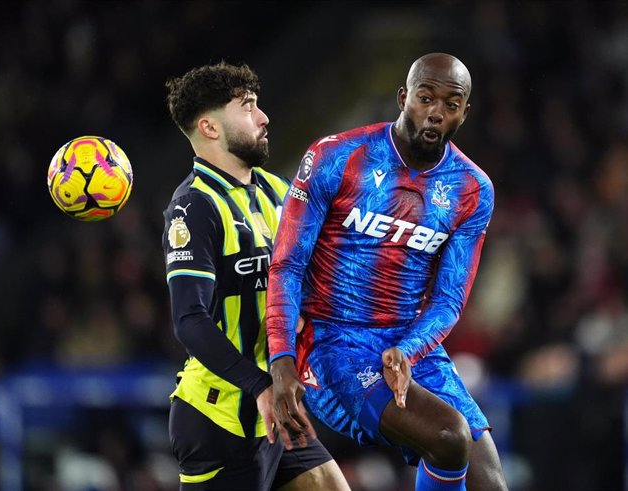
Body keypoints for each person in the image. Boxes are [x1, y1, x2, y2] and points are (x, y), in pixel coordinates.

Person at [266, 53, 508, 491]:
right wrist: (280, 360)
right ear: (403, 98)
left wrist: (409, 350)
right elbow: (287, 264)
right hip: (334, 341)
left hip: (408, 342)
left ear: (464, 113)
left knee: (489, 480)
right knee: (447, 437)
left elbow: (450, 298)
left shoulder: (472, 189)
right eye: (425, 97)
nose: (436, 112)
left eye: (451, 104)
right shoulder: (336, 156)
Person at [162, 62, 349, 491]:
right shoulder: (195, 207)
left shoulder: (276, 190)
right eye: (247, 107)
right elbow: (189, 319)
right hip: (220, 418)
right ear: (209, 127)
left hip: (277, 406)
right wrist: (260, 385)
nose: (263, 117)